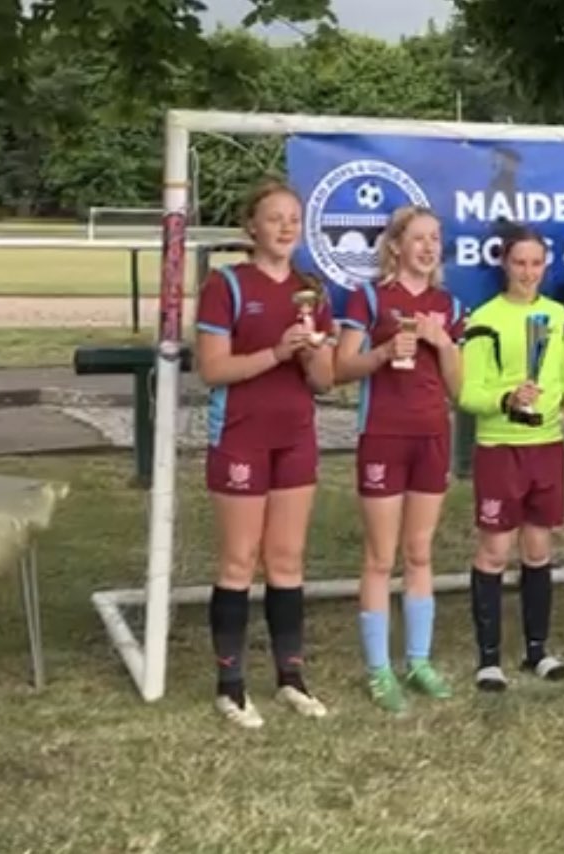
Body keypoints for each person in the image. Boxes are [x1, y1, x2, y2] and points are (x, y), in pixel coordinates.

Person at [194, 179, 334, 729]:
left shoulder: (310, 292)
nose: (285, 227)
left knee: (287, 559)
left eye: (293, 218)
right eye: (274, 217)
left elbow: (324, 382)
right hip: (241, 435)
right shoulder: (226, 284)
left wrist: (309, 354)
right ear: (251, 226)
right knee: (239, 559)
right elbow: (212, 369)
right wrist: (276, 352)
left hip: (295, 436)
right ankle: (230, 687)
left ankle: (290, 678)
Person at [334, 205, 465, 713]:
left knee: (420, 553)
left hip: (431, 436)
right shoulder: (369, 297)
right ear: (395, 246)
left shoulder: (447, 305)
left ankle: (418, 660)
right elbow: (341, 367)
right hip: (384, 437)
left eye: (435, 238)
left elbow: (458, 387)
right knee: (379, 556)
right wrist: (385, 353)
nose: (428, 247)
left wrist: (442, 342)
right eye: (418, 238)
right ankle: (378, 669)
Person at [458, 225, 564, 691]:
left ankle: (537, 650)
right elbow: (468, 393)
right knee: (494, 551)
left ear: (545, 266)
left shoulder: (558, 316)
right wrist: (507, 398)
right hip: (500, 448)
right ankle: (488, 659)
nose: (528, 272)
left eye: (535, 263)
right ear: (504, 264)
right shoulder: (484, 319)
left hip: (546, 447)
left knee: (538, 550)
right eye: (519, 263)